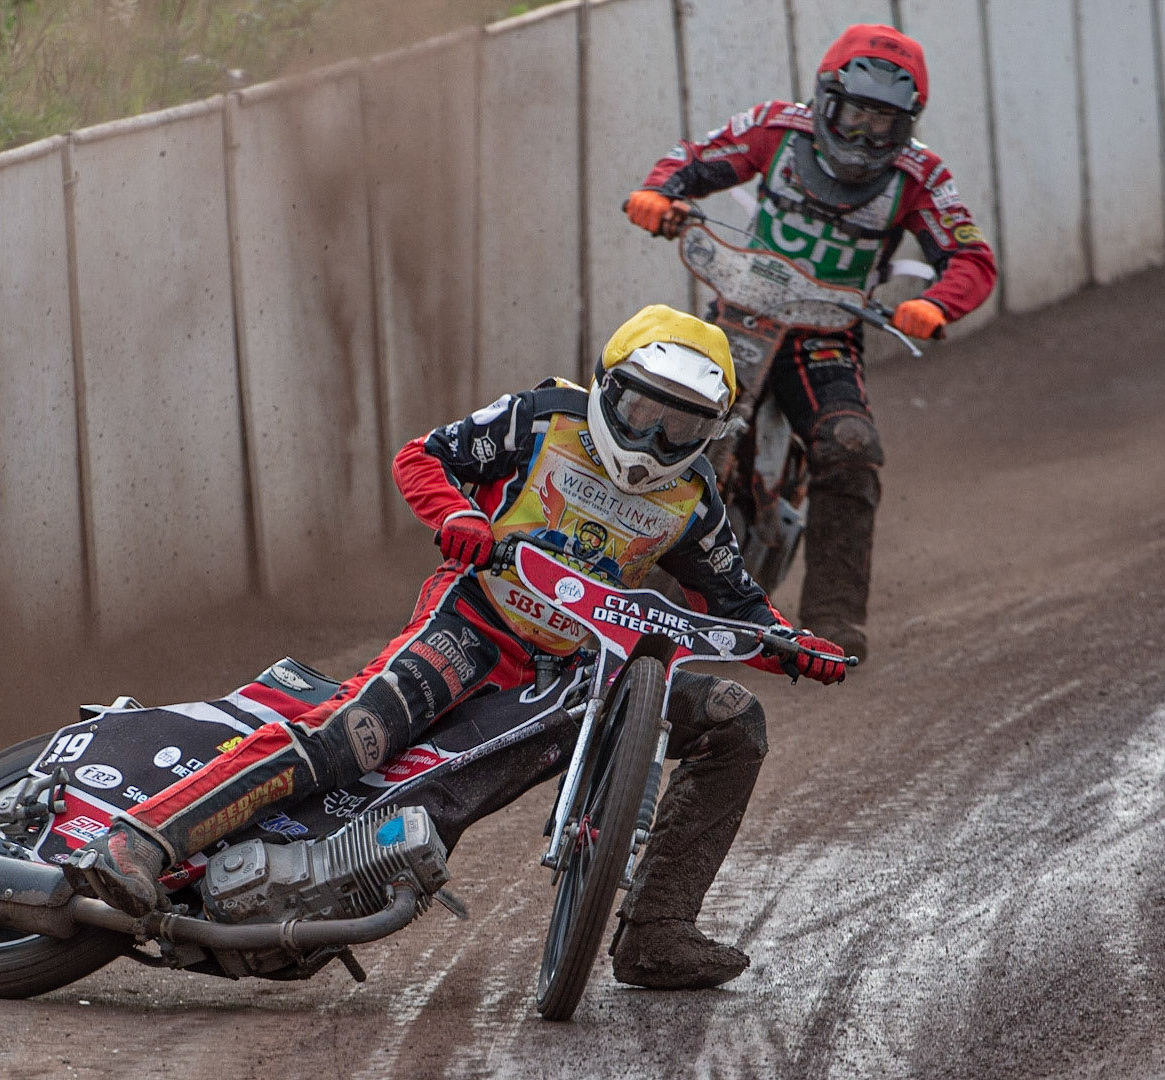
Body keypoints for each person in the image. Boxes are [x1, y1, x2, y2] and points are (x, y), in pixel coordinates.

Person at [68, 305, 847, 989]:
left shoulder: (696, 497)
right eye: (643, 410)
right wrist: (460, 519)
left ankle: (656, 932)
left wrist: (794, 645)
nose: (654, 439)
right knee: (353, 736)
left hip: (579, 670)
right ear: (608, 386)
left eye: (682, 426)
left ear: (710, 433)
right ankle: (142, 838)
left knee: (733, 719)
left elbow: (741, 606)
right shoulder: (544, 416)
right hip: (472, 620)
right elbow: (425, 456)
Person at [625, 23, 998, 661]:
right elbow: (694, 157)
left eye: (882, 124)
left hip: (824, 336)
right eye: (853, 115)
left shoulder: (921, 177)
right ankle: (594, 565)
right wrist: (660, 193)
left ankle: (833, 618)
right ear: (826, 99)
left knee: (850, 446)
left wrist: (934, 305)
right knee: (643, 407)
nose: (863, 136)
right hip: (734, 317)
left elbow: (971, 256)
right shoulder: (778, 127)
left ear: (907, 124)